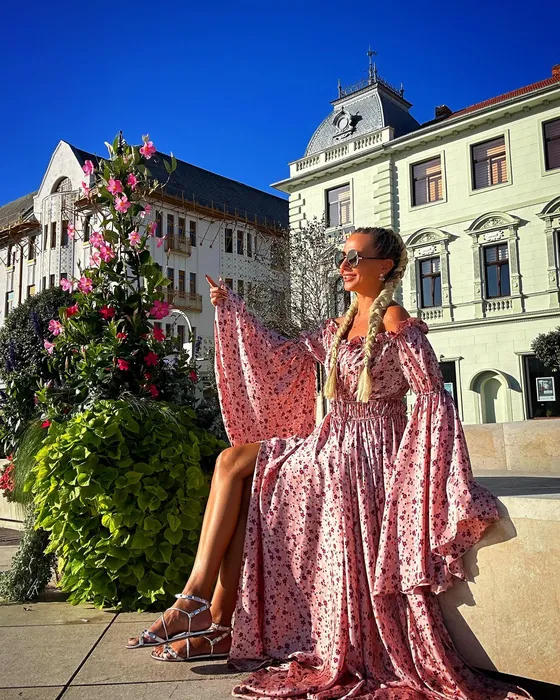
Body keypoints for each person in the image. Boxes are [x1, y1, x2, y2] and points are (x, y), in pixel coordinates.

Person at [127, 227, 532, 699]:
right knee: (233, 462)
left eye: (355, 258)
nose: (345, 266)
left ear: (384, 266)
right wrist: (233, 311)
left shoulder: (396, 321)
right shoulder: (341, 324)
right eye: (344, 258)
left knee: (252, 474)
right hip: (331, 441)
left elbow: (430, 396)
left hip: (368, 456)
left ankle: (211, 613)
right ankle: (203, 603)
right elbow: (280, 357)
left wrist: (427, 472)